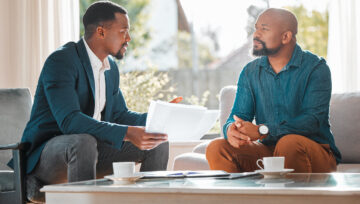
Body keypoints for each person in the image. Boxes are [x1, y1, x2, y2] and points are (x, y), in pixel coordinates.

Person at [8, 1, 181, 203]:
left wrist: (160, 115)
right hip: (45, 160)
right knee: (83, 141)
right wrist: (127, 133)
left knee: (157, 142)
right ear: (101, 32)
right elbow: (70, 121)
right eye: (123, 31)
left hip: (89, 153)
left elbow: (118, 114)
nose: (129, 38)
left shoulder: (110, 69)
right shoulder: (62, 61)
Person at [206, 8, 341, 174]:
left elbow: (311, 121)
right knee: (216, 147)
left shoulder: (316, 68)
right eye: (256, 28)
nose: (256, 34)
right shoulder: (250, 71)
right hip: (269, 152)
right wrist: (231, 130)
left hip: (314, 151)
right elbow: (237, 116)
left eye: (264, 29)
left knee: (288, 144)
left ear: (286, 37)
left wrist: (263, 130)